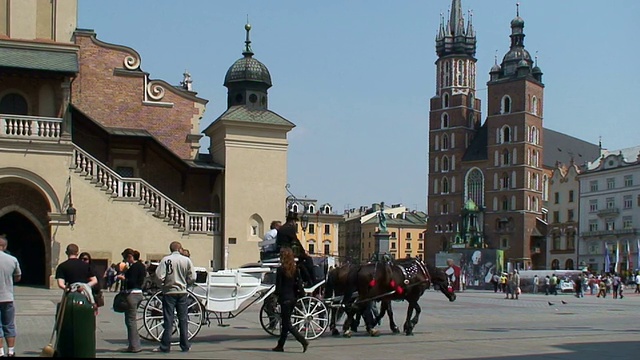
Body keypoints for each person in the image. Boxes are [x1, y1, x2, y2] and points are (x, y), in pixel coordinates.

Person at [154, 241, 195, 353]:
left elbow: (158, 276)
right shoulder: (186, 260)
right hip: (182, 292)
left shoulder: (165, 260)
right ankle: (185, 345)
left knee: (168, 319)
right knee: (183, 319)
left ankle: (165, 346)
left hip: (169, 292)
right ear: (180, 248)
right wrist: (187, 284)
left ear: (170, 249)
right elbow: (193, 276)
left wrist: (162, 286)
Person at [272, 248, 309, 353]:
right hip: (293, 298)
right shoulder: (295, 269)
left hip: (284, 299)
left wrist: (275, 297)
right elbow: (298, 284)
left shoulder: (280, 270)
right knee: (285, 322)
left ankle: (302, 340)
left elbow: (278, 287)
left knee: (287, 324)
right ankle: (280, 345)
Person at [117, 249, 147, 353]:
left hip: (132, 294)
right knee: (131, 320)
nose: (125, 260)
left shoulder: (134, 267)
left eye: (125, 258)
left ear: (130, 256)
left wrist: (123, 278)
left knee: (130, 321)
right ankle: (134, 344)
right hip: (139, 293)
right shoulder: (141, 266)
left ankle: (134, 346)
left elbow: (132, 281)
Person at [276, 211, 316, 286]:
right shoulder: (289, 228)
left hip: (283, 250)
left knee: (303, 260)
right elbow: (296, 241)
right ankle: (311, 281)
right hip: (287, 251)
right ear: (292, 221)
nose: (295, 223)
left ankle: (307, 279)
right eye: (295, 221)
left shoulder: (283, 228)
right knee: (307, 260)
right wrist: (304, 252)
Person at [0, 235, 21, 357]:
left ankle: (0, 352)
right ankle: (11, 351)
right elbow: (18, 276)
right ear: (5, 246)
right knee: (9, 324)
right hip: (7, 296)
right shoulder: (12, 259)